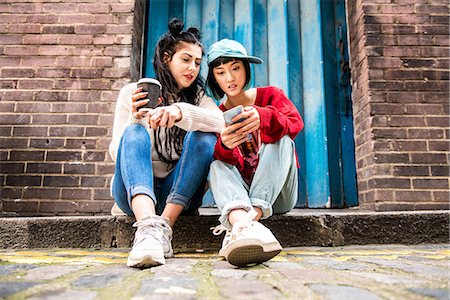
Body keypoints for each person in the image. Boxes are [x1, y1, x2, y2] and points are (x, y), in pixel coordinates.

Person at [109, 19, 224, 268]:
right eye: (185, 59)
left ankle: (163, 230)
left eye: (197, 62)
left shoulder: (198, 98)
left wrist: (182, 113)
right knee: (133, 134)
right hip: (133, 194)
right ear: (165, 59)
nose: (192, 68)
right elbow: (115, 152)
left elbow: (220, 123)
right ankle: (147, 229)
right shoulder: (132, 93)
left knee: (204, 135)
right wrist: (135, 118)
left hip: (179, 196)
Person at [205, 39, 304, 267]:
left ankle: (248, 221)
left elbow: (295, 123)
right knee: (215, 165)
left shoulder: (270, 95)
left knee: (283, 139)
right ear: (214, 78)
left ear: (246, 69)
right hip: (242, 196)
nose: (229, 78)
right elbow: (220, 162)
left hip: (278, 197)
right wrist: (225, 146)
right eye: (220, 72)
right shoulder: (216, 113)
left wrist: (264, 116)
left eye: (235, 69)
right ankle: (242, 223)